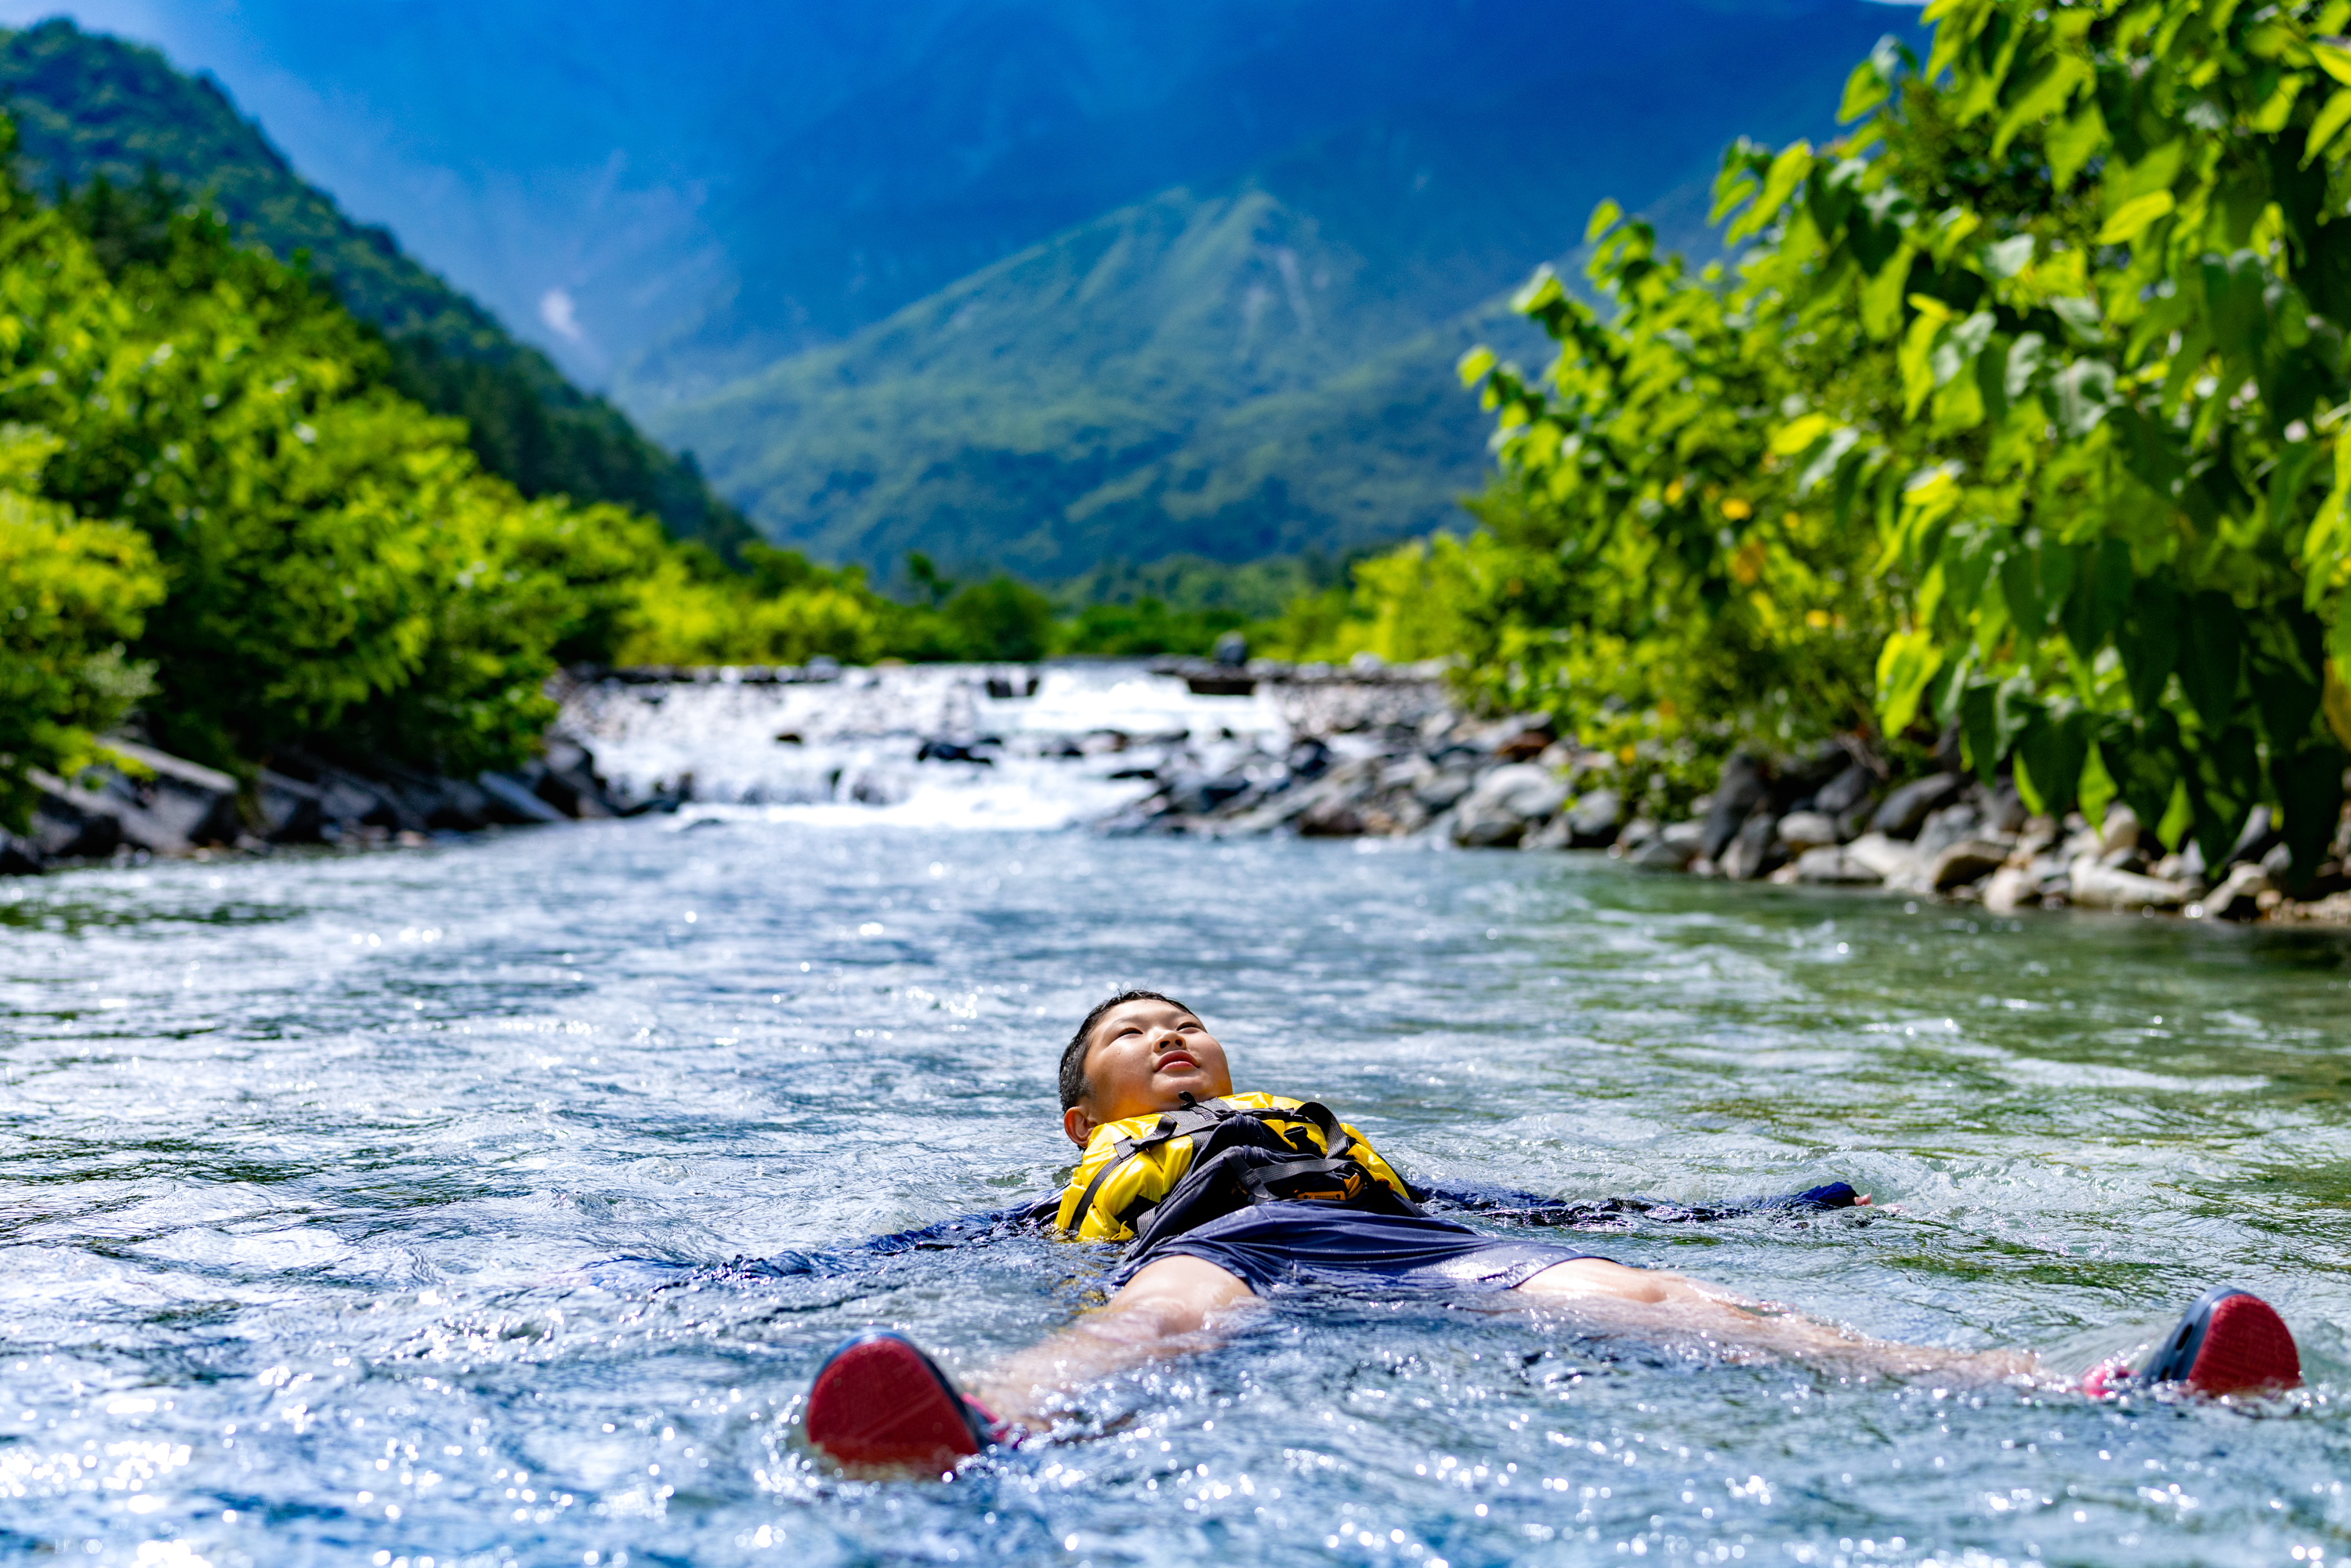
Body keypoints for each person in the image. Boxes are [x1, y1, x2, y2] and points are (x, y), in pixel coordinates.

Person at [802, 990, 2303, 1469]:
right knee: (1155, 1323)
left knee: (1662, 1296)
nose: (1173, 1035)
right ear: (1088, 1120)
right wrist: (721, 1276)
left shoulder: (1323, 1140)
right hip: (1218, 1249)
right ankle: (975, 1419)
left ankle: (2073, 1383)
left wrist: (1759, 1213)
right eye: (1138, 1035)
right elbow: (910, 1252)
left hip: (1407, 1242)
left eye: (1188, 1021)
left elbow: (1543, 1211)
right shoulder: (1088, 1185)